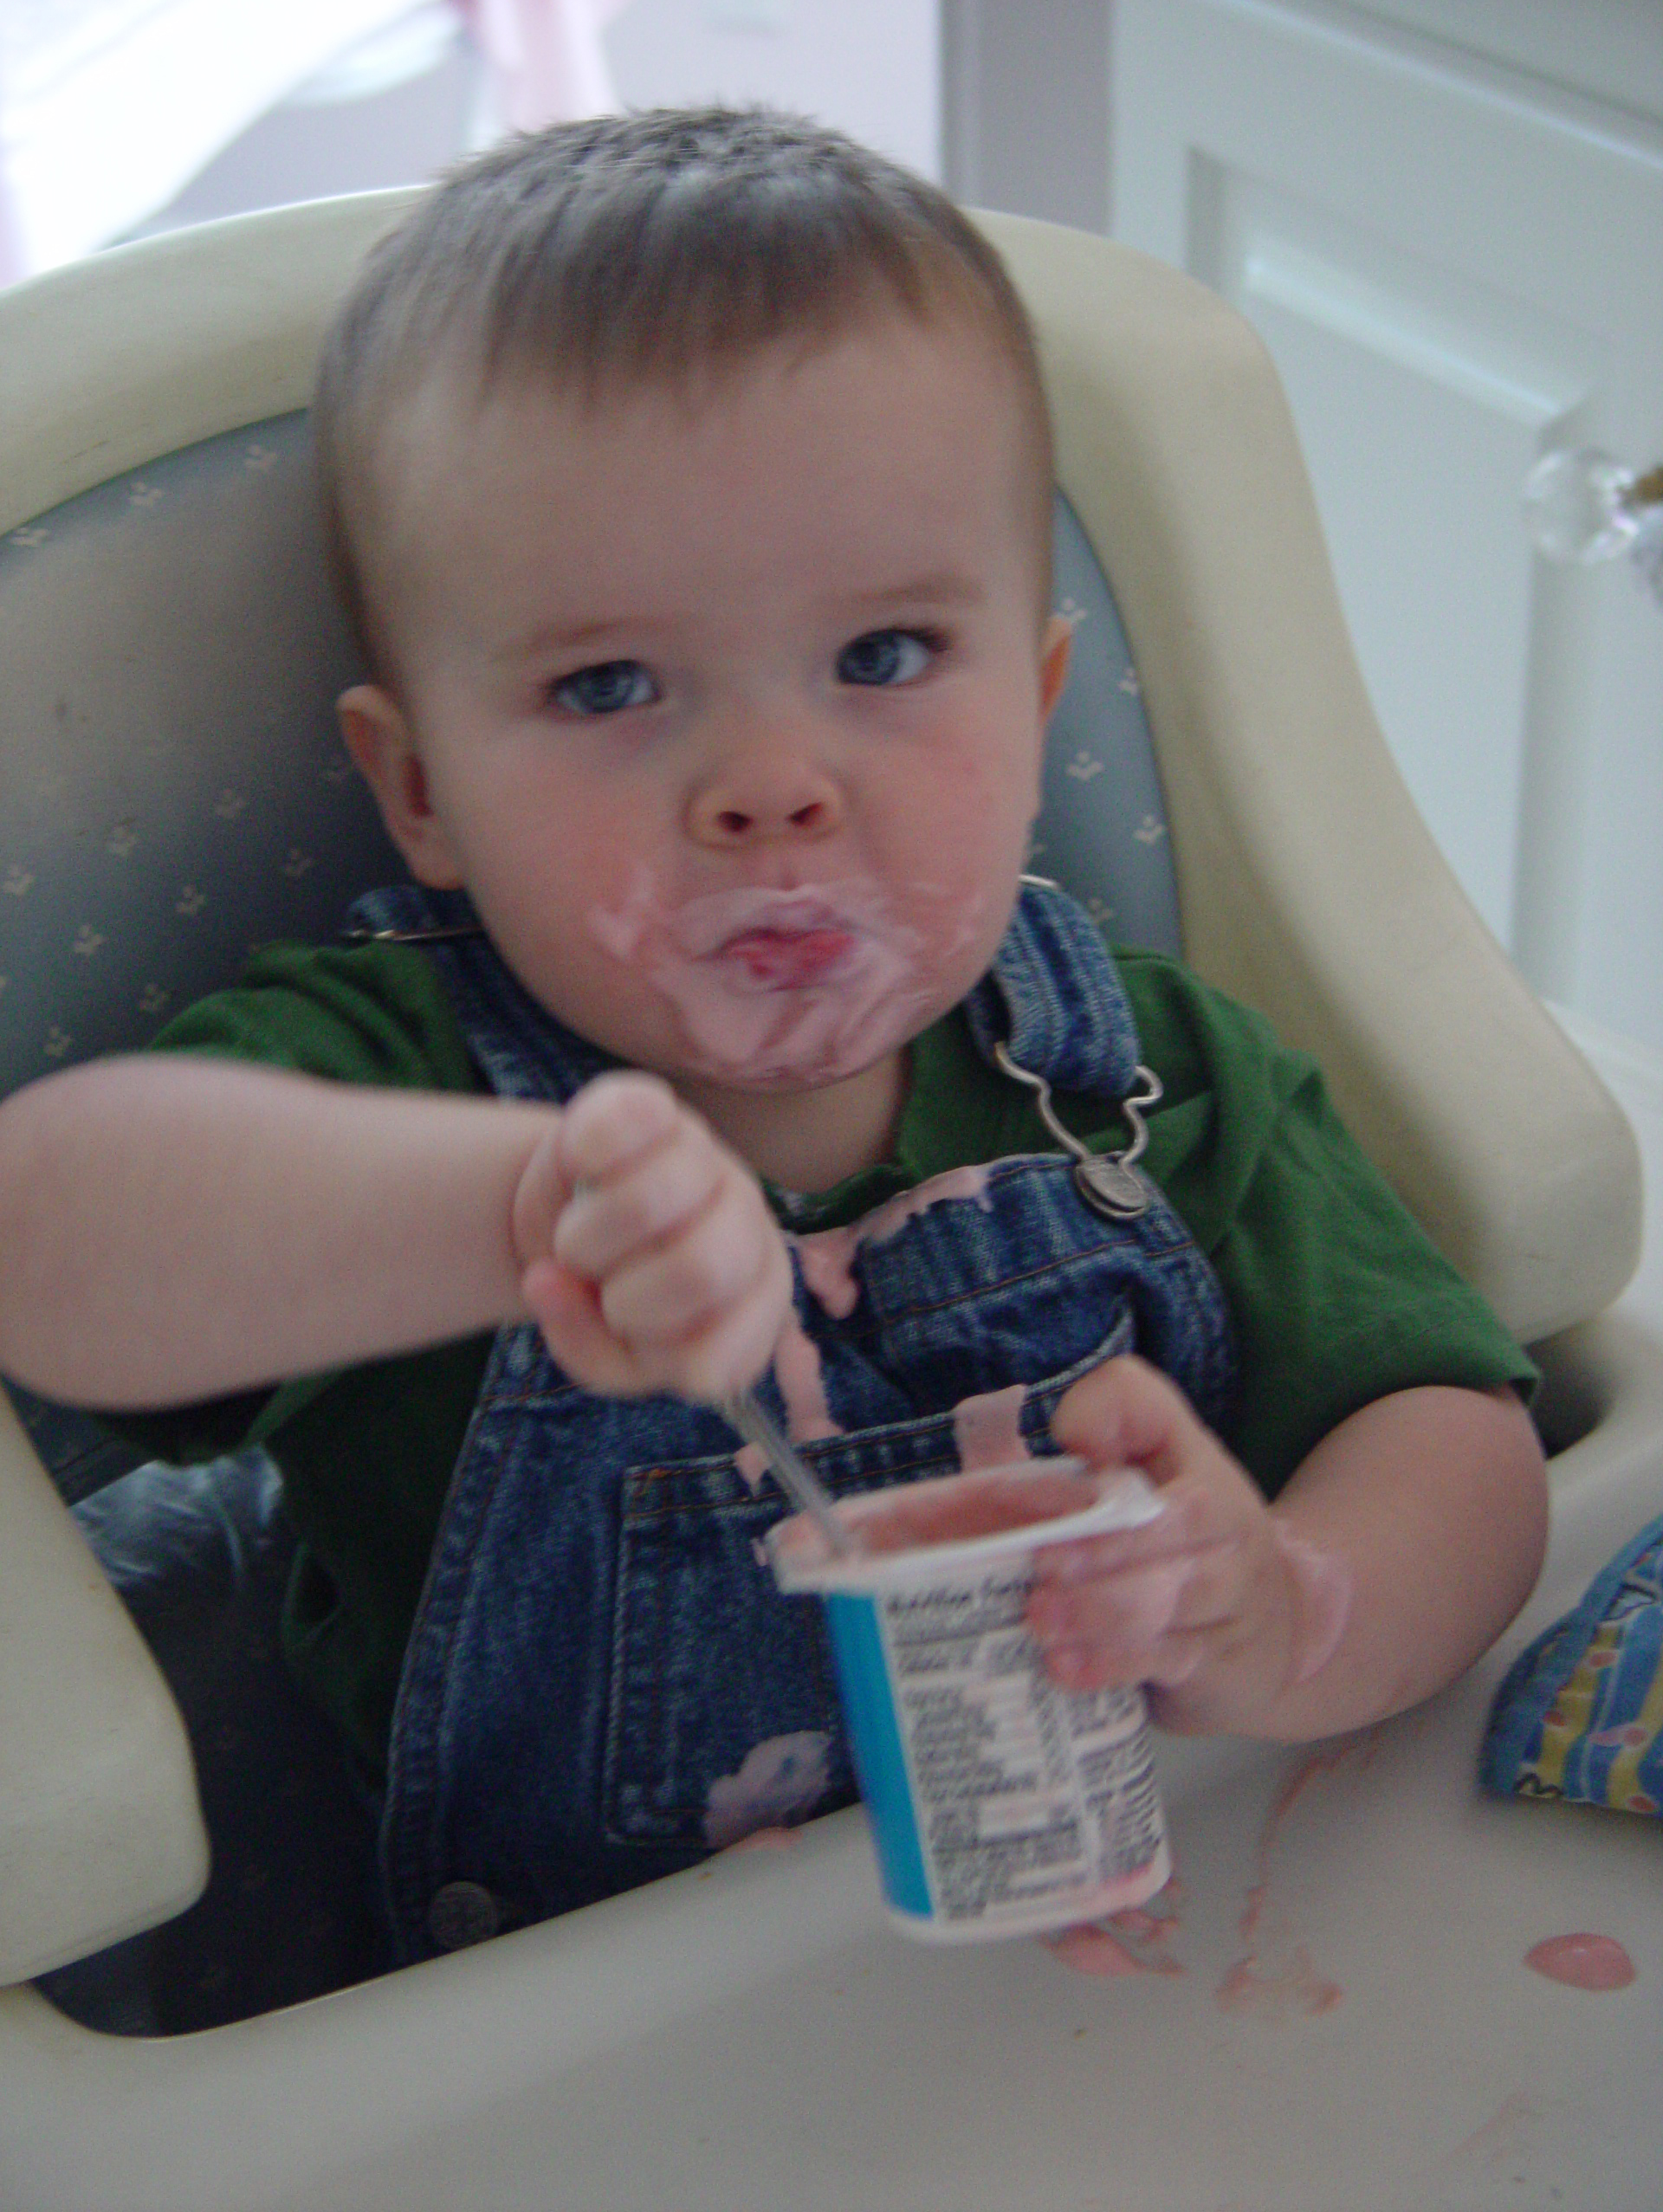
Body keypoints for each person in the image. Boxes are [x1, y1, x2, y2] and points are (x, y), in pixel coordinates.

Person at [0, 108, 1546, 1970]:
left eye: (884, 658)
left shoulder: (1136, 1079)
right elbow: (50, 1249)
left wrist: (1297, 1608)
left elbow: (1460, 1435)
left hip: (1119, 1961)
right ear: (420, 791)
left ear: (1038, 699)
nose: (770, 786)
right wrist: (505, 1211)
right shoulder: (389, 1077)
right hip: (558, 2045)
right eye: (608, 685)